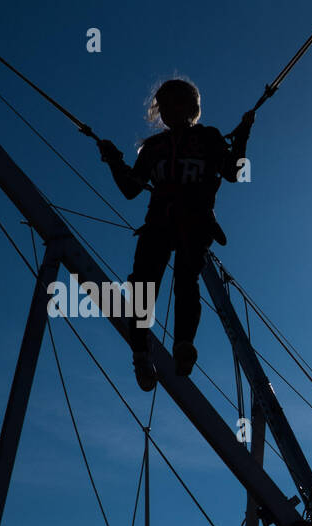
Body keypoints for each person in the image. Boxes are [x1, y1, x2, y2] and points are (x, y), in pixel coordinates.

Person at [97, 78, 254, 391]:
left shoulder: (208, 139)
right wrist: (114, 161)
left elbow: (234, 172)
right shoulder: (153, 148)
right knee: (143, 285)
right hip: (159, 224)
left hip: (194, 222)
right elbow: (131, 188)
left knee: (186, 279)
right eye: (164, 106)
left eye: (176, 103)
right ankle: (141, 354)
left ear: (192, 108)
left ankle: (183, 344)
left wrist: (243, 133)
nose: (169, 110)